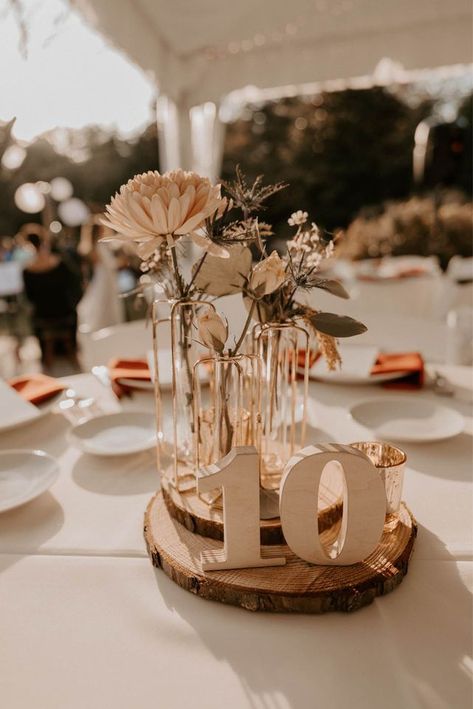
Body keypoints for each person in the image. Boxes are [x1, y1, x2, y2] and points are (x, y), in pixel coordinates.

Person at [22, 225, 82, 370]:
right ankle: (72, 351)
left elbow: (29, 298)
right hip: (65, 312)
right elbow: (76, 285)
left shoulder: (27, 270)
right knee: (73, 313)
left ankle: (46, 357)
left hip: (43, 315)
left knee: (34, 317)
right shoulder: (60, 263)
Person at [77, 215, 124, 332]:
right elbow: (109, 264)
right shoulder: (100, 246)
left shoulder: (94, 247)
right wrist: (120, 263)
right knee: (104, 300)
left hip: (104, 276)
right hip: (105, 277)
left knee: (104, 299)